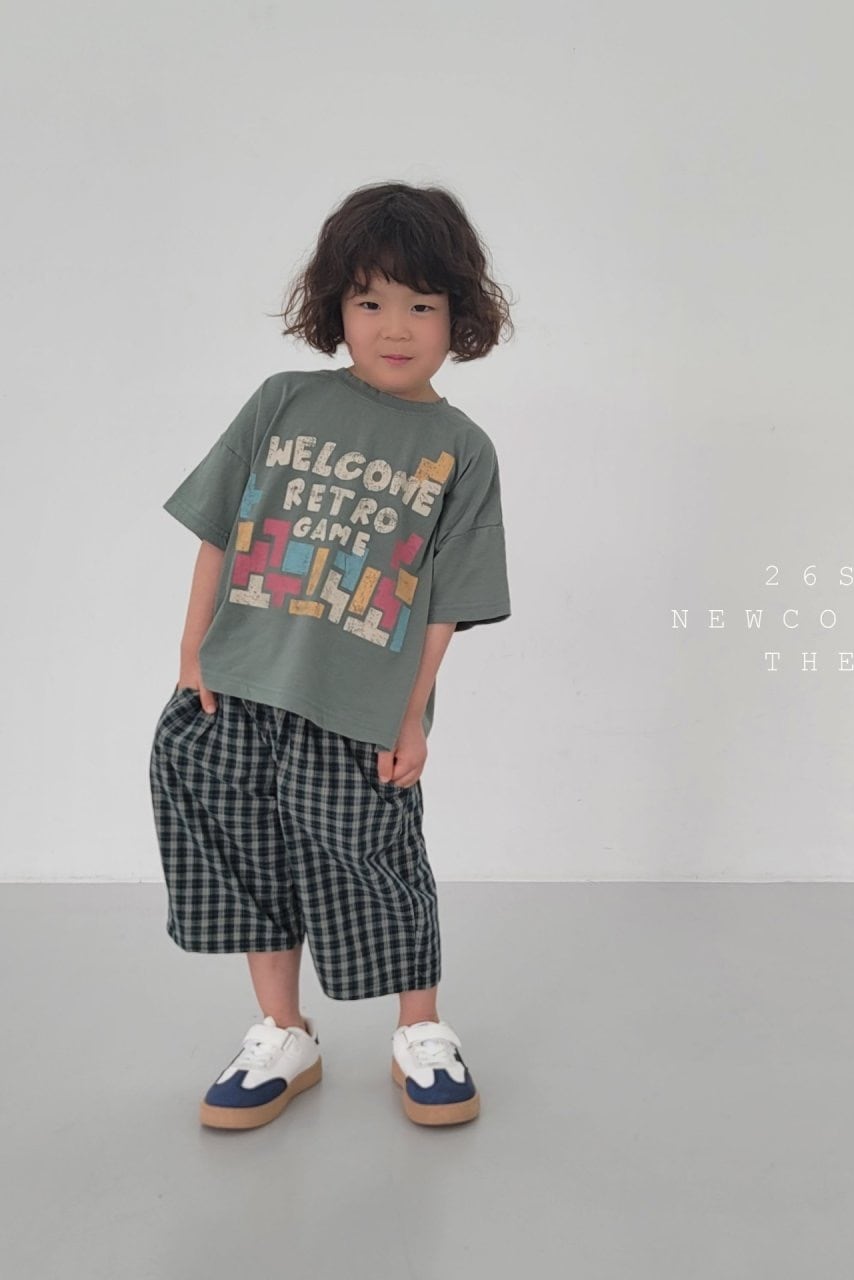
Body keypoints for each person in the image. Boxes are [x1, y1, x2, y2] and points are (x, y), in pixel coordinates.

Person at [148, 181, 513, 1131]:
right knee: (248, 859)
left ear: (459, 315)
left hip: (360, 708)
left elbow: (448, 604)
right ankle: (283, 1032)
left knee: (380, 864)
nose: (394, 327)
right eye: (370, 301)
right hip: (236, 686)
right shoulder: (283, 401)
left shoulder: (461, 449)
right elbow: (219, 532)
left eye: (421, 305)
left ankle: (420, 1031)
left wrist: (411, 716)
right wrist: (192, 655)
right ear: (335, 309)